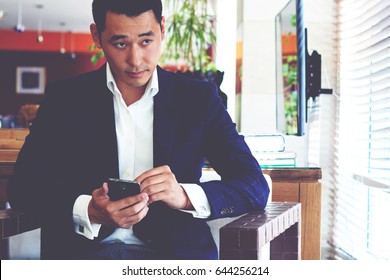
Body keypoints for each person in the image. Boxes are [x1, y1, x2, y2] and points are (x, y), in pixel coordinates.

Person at [8, 0, 269, 260]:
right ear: (97, 36)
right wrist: (88, 209)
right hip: (83, 255)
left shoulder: (198, 99)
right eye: (120, 44)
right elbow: (23, 188)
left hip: (176, 257)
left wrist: (184, 196)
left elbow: (254, 184)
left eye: (146, 41)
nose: (136, 60)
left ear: (163, 29)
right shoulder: (64, 99)